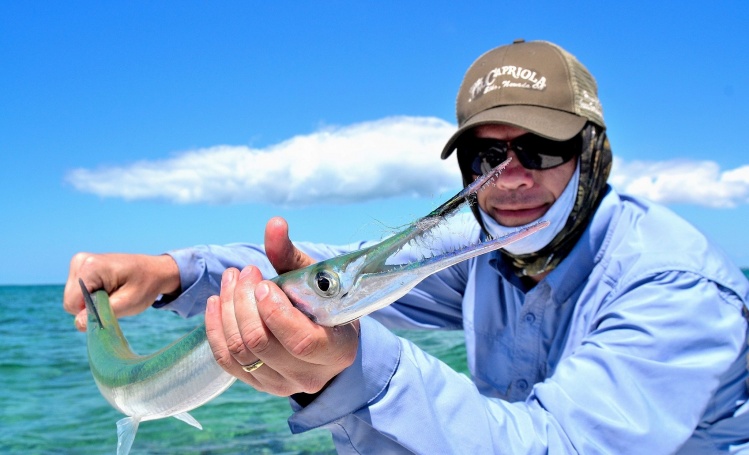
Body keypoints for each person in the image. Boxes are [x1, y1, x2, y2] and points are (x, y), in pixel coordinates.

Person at [64, 39, 749, 454]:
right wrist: (171, 273)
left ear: (592, 153)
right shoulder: (490, 250)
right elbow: (333, 267)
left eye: (539, 149)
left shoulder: (675, 288)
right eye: (485, 156)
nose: (509, 179)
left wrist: (348, 372)